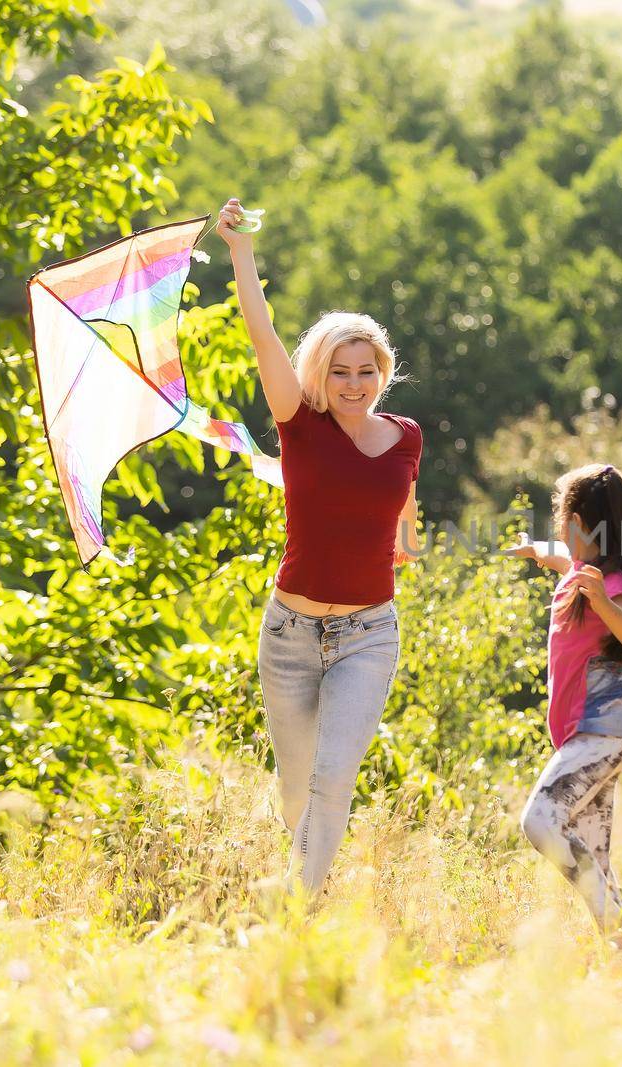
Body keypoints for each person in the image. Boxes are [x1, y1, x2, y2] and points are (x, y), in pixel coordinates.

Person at [218, 197, 424, 897]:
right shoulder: (297, 423)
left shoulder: (406, 436)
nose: (354, 383)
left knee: (335, 776)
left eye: (366, 370)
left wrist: (403, 544)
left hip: (369, 631)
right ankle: (308, 883)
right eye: (340, 371)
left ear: (383, 372)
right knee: (297, 787)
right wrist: (241, 250)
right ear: (320, 373)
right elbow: (262, 334)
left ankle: (297, 913)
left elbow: (403, 508)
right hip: (290, 632)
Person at [504, 463, 622, 953]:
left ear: (581, 524)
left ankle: (618, 928)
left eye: (561, 517)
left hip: (602, 732)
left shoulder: (609, 584)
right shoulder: (581, 569)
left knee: (540, 820)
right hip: (591, 734)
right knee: (593, 850)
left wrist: (602, 601)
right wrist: (538, 551)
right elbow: (563, 559)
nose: (557, 527)